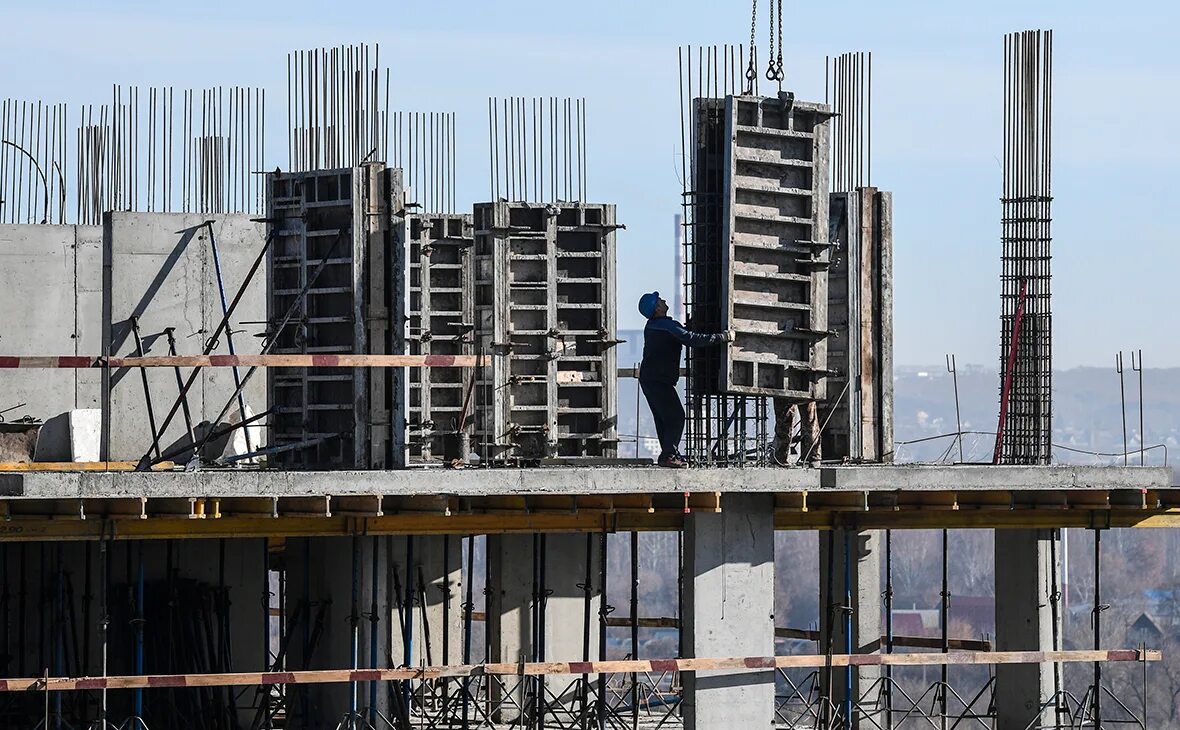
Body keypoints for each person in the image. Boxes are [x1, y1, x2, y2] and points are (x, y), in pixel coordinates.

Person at [637, 291, 732, 468]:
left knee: (663, 418)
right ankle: (669, 455)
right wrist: (722, 337)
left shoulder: (653, 326)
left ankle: (667, 454)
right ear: (657, 308)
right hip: (658, 380)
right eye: (660, 300)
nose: (664, 300)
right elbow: (691, 339)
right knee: (676, 416)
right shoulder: (666, 326)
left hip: (650, 378)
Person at [773, 397, 822, 467]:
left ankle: (780, 458)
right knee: (810, 421)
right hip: (803, 390)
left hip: (784, 392)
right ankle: (814, 457)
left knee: (784, 421)